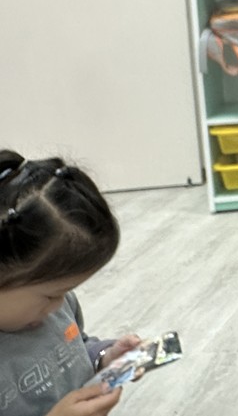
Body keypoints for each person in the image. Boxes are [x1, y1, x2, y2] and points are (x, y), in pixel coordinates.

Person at [0, 150, 142, 416]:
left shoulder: (54, 309)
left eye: (66, 291)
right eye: (50, 295)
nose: (59, 305)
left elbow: (73, 351)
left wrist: (105, 359)